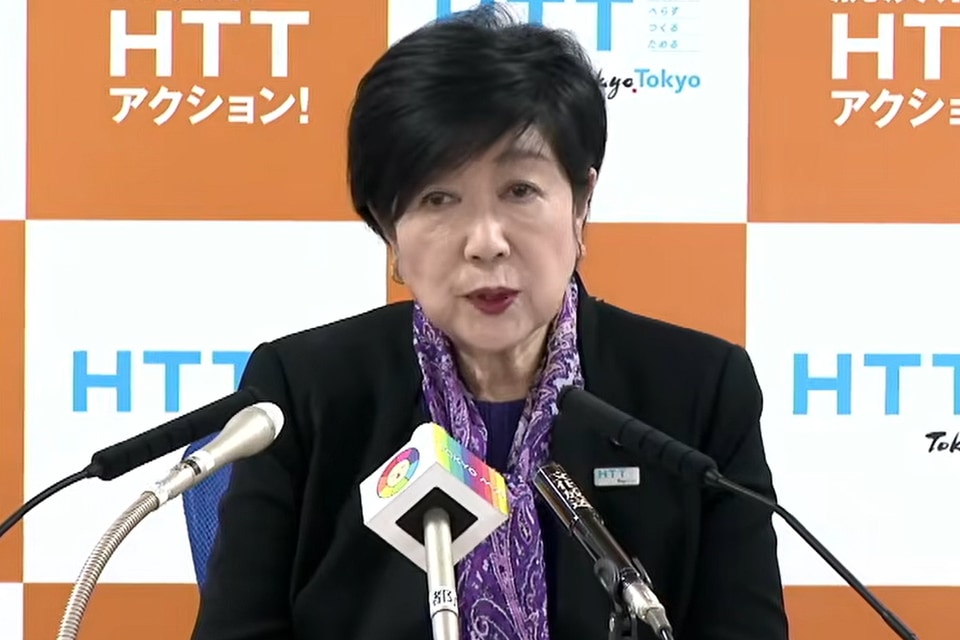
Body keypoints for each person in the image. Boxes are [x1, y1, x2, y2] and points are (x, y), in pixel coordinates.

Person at [190, 5, 789, 640]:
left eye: (520, 191)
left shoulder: (697, 391)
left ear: (581, 203)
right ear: (389, 232)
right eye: (438, 199)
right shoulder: (305, 392)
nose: (486, 242)